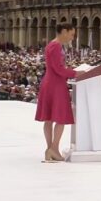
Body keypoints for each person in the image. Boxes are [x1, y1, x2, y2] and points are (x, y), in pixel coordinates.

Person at [34, 23, 83, 162]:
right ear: (63, 31)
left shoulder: (52, 45)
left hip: (50, 83)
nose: (72, 38)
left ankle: (50, 149)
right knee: (60, 118)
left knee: (49, 118)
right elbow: (59, 69)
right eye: (71, 34)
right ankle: (53, 148)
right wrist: (76, 73)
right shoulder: (56, 46)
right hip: (56, 84)